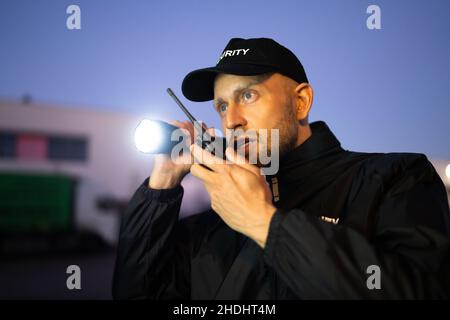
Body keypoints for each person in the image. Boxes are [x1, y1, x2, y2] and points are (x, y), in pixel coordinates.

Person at [113, 37, 450, 299]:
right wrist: (160, 191)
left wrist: (263, 223)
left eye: (248, 96)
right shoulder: (211, 225)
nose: (231, 121)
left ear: (301, 101)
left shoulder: (394, 177)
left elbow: (419, 291)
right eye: (221, 106)